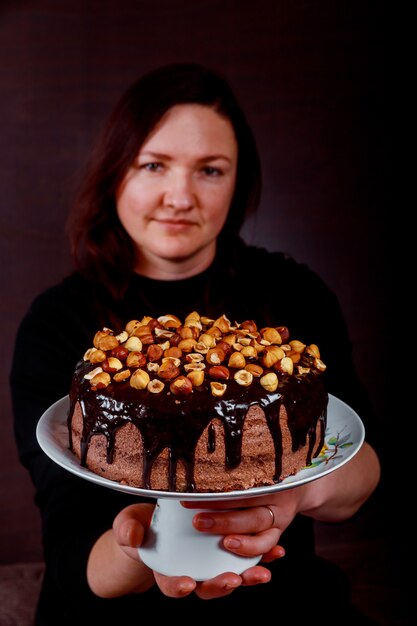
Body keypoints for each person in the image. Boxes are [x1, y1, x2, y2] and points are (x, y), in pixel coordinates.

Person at [10, 63, 381, 625]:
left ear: (239, 183)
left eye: (209, 170)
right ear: (116, 171)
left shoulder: (293, 296)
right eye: (154, 164)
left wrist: (297, 495)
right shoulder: (58, 323)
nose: (179, 196)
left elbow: (366, 470)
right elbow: (71, 552)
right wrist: (141, 548)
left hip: (280, 599)